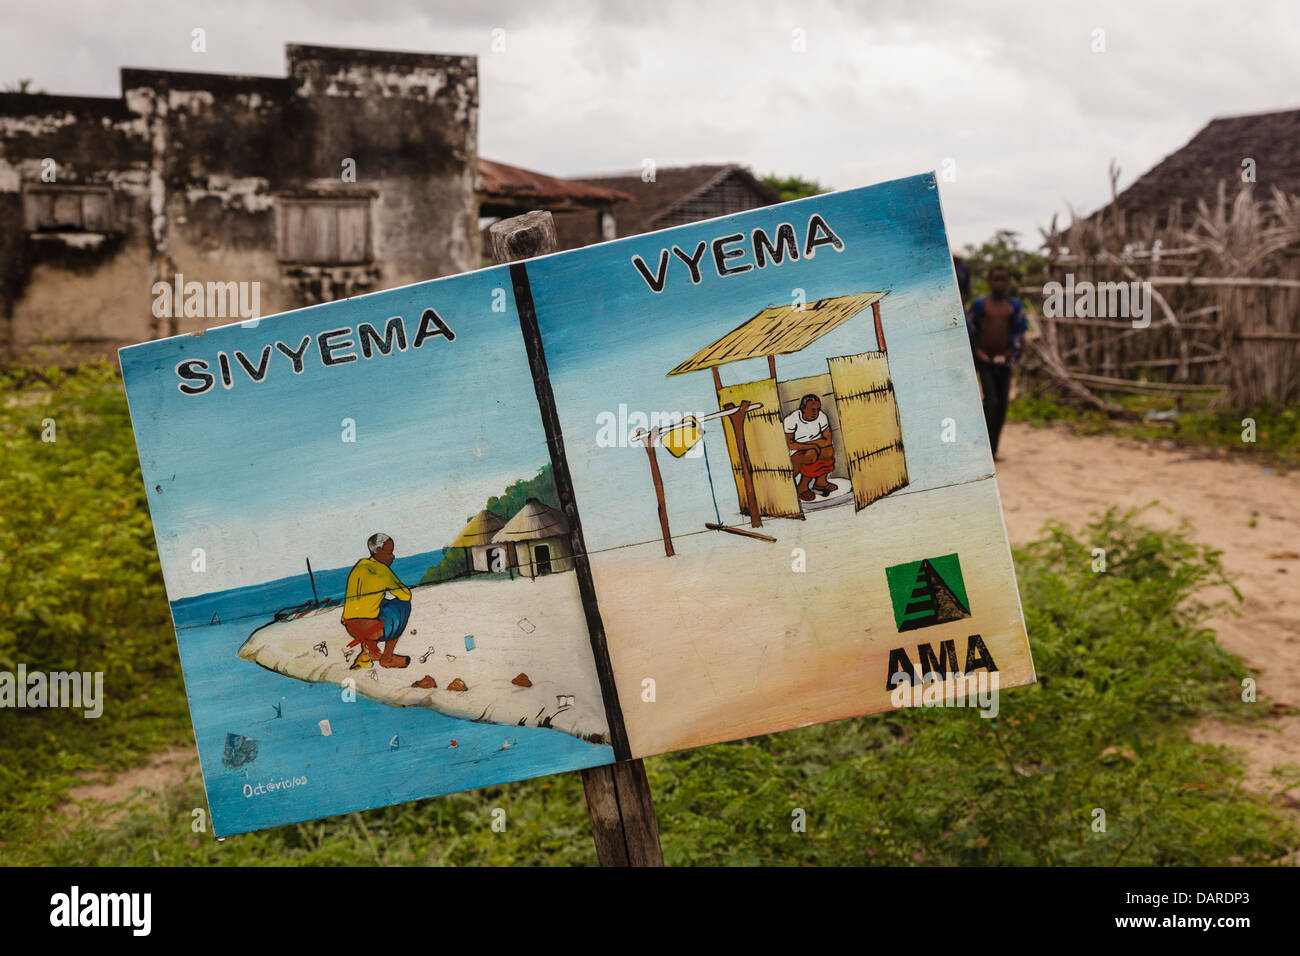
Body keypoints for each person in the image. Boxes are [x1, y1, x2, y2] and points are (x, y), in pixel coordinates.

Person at [967, 264, 1028, 461]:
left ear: (1008, 282)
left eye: (1003, 279)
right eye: (996, 279)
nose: (1000, 283)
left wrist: (1011, 354)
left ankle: (993, 450)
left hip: (1005, 362)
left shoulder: (1014, 306)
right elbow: (970, 330)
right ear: (989, 282)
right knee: (990, 401)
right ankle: (982, 448)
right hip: (985, 361)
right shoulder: (980, 305)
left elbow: (1019, 334)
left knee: (1002, 405)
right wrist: (978, 354)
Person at [340, 533, 411, 669]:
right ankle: (387, 658)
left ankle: (371, 652)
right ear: (378, 551)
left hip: (351, 628)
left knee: (382, 603)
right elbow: (406, 595)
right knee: (402, 606)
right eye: (389, 552)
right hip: (371, 630)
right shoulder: (381, 569)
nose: (393, 556)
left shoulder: (360, 565)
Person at [783, 394, 836, 501]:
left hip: (815, 447)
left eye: (817, 409)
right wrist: (811, 446)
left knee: (829, 451)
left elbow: (828, 440)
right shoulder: (791, 419)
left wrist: (813, 445)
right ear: (803, 408)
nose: (815, 412)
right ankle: (802, 487)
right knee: (811, 454)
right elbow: (789, 444)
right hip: (796, 451)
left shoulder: (822, 416)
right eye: (812, 409)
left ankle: (820, 483)